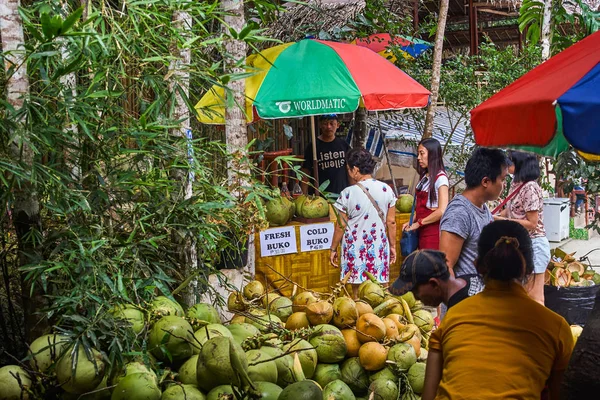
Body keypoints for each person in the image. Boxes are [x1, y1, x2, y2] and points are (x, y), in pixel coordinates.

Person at [422, 220, 574, 400]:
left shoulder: (453, 317)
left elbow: (428, 396)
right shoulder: (556, 328)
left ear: (477, 265)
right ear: (530, 268)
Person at [439, 148, 509, 294]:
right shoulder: (459, 212)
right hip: (467, 308)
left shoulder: (482, 209)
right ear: (486, 181)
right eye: (502, 179)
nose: (504, 185)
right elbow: (445, 266)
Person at [329, 148, 397, 298]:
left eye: (348, 169)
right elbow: (391, 222)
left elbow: (341, 226)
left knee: (357, 294)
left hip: (355, 250)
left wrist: (333, 248)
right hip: (378, 247)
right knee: (382, 292)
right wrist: (392, 246)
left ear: (355, 170)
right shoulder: (387, 190)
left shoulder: (347, 193)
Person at [496, 151, 549, 305]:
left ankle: (539, 328)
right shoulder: (515, 184)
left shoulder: (530, 188)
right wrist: (495, 216)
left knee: (535, 297)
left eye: (511, 162)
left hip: (535, 244)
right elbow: (510, 210)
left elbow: (532, 224)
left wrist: (502, 220)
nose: (507, 165)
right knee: (523, 294)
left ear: (520, 165)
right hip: (521, 244)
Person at [389, 249, 480, 309]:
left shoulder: (460, 312)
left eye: (415, 291)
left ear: (434, 284)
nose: (416, 298)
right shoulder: (470, 278)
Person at [402, 138, 449, 249]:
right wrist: (411, 220)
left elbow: (442, 211)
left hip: (433, 233)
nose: (418, 158)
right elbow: (421, 207)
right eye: (418, 154)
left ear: (432, 155)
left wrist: (419, 223)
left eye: (422, 153)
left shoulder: (441, 179)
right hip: (422, 231)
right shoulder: (425, 176)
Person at [301, 114, 351, 195]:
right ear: (320, 125)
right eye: (325, 123)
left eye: (332, 123)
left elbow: (350, 169)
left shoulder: (343, 145)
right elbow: (306, 172)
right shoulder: (313, 147)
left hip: (342, 195)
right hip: (320, 196)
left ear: (337, 125)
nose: (328, 127)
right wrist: (303, 194)